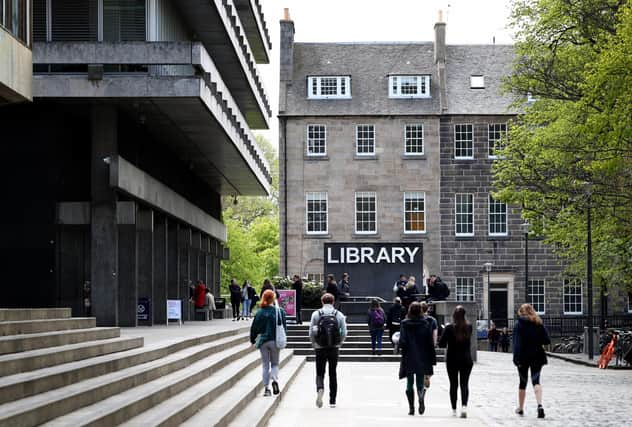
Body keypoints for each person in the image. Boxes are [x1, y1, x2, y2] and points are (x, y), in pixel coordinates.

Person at [309, 292, 347, 408]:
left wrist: (314, 344)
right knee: (333, 373)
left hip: (320, 347)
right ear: (333, 302)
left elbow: (311, 331)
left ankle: (320, 389)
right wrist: (339, 342)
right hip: (333, 348)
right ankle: (332, 401)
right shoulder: (339, 314)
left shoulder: (316, 314)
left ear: (322, 302)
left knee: (320, 373)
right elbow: (344, 332)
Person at [513, 303, 550, 419]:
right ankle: (539, 405)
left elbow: (517, 344)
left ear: (521, 312)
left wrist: (516, 358)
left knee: (522, 382)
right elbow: (547, 340)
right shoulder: (538, 323)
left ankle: (521, 408)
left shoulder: (519, 324)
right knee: (536, 381)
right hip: (537, 356)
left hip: (523, 357)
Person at [398, 302, 435, 416]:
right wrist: (431, 358)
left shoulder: (404, 323)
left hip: (409, 355)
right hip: (422, 355)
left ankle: (411, 408)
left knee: (409, 382)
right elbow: (430, 341)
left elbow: (402, 341)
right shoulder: (425, 323)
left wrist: (399, 346)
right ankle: (421, 397)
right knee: (420, 380)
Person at [438, 305, 473, 418]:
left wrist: (443, 331)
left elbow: (441, 344)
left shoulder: (449, 328)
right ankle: (464, 407)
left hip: (452, 360)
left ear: (454, 315)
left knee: (453, 384)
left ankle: (454, 409)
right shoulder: (469, 326)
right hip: (466, 359)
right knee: (464, 384)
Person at [250, 290, 287, 396]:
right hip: (275, 341)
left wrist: (252, 340)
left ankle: (266, 389)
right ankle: (274, 380)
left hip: (263, 341)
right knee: (275, 364)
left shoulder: (260, 312)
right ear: (273, 298)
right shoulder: (280, 311)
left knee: (265, 365)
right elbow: (284, 327)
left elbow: (254, 328)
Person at [420, 302, 438, 389]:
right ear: (427, 309)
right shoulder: (433, 320)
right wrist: (434, 344)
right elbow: (435, 334)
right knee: (428, 365)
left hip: (419, 345)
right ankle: (427, 376)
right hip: (429, 345)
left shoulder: (416, 319)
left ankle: (422, 376)